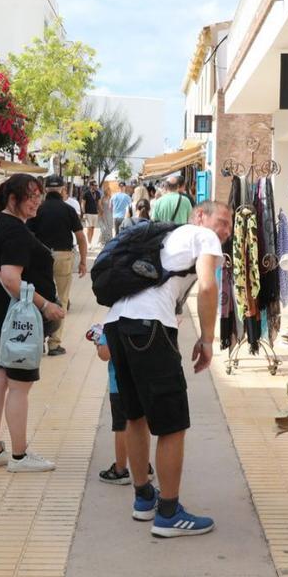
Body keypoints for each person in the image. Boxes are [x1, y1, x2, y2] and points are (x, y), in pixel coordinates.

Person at [103, 200, 233, 538]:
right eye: (223, 221)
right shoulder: (203, 237)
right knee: (172, 423)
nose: (227, 230)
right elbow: (207, 286)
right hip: (149, 326)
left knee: (135, 416)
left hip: (117, 324)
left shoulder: (167, 239)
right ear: (199, 216)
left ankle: (144, 498)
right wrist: (207, 339)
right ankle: (169, 513)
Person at [0, 174, 65, 473]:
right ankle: (19, 456)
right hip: (16, 321)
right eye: (31, 196)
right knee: (18, 387)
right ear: (13, 199)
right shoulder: (13, 229)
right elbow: (13, 280)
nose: (37, 200)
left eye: (39, 194)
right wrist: (46, 304)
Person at [27, 175, 87, 356]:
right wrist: (83, 261)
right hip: (63, 256)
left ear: (45, 190)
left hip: (40, 257)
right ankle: (54, 343)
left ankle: (38, 339)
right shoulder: (68, 210)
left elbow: (27, 234)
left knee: (39, 298)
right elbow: (81, 237)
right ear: (62, 189)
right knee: (62, 299)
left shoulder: (38, 208)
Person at [90, 326, 154, 485]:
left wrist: (98, 343)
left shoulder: (112, 323)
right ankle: (144, 466)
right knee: (141, 424)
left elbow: (105, 354)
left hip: (120, 387)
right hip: (143, 383)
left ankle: (120, 469)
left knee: (122, 427)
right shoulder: (146, 321)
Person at [81, 180, 101, 246]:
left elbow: (99, 203)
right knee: (89, 228)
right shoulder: (86, 193)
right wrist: (83, 213)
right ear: (91, 186)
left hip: (95, 213)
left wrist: (101, 211)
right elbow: (83, 204)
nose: (96, 187)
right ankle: (88, 243)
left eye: (96, 185)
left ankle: (91, 241)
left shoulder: (98, 193)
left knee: (92, 228)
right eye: (94, 185)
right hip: (88, 213)